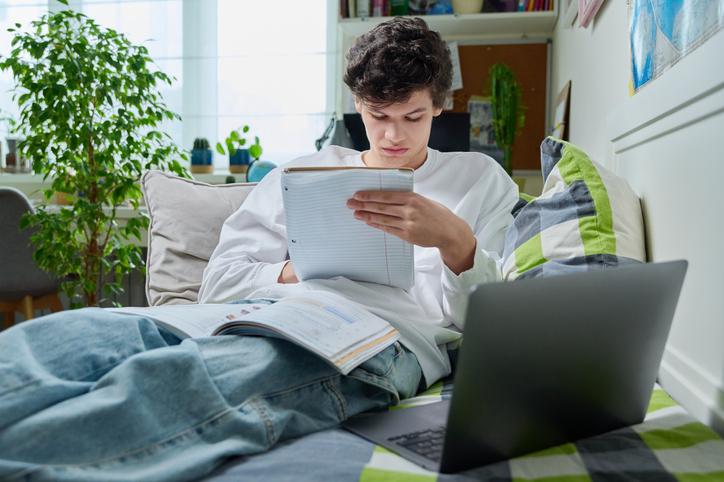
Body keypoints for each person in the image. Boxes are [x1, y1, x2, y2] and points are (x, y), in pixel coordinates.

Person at [0, 17, 518, 482]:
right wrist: (297, 270)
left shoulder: (478, 180)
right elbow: (218, 282)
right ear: (358, 104)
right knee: (69, 335)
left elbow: (484, 328)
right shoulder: (303, 174)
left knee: (171, 384)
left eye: (413, 117)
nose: (393, 135)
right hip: (261, 313)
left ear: (439, 106)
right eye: (379, 114)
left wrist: (456, 242)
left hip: (375, 340)